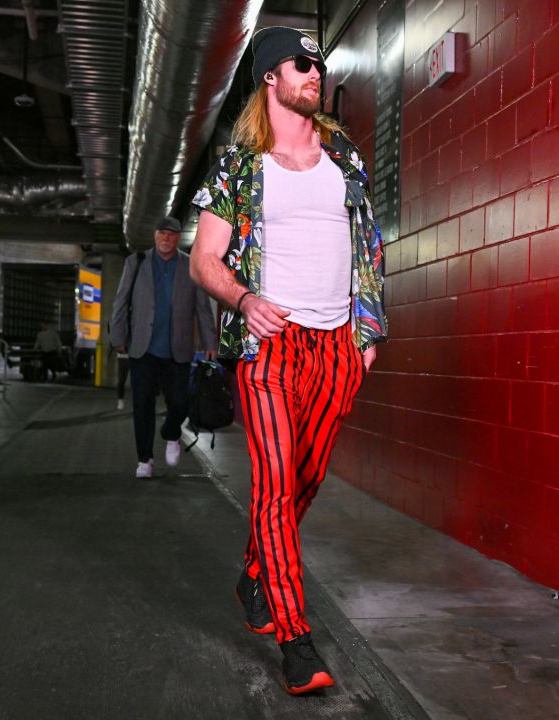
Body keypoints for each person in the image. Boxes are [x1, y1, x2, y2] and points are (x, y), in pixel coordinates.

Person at [188, 26, 387, 695]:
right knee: (273, 487)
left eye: (319, 65)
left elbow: (370, 249)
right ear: (271, 77)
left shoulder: (346, 162)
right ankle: (295, 639)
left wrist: (368, 333)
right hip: (269, 346)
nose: (316, 74)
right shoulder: (239, 168)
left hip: (335, 347)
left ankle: (254, 574)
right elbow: (203, 259)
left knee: (306, 480)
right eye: (303, 64)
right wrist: (244, 300)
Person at [109, 216, 218, 478]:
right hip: (142, 349)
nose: (165, 238)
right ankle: (144, 459)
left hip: (177, 349)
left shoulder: (191, 265)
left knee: (180, 403)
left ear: (178, 237)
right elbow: (120, 301)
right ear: (155, 236)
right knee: (142, 406)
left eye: (171, 234)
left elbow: (202, 308)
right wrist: (118, 337)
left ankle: (171, 433)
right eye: (162, 233)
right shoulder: (137, 262)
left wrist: (210, 342)